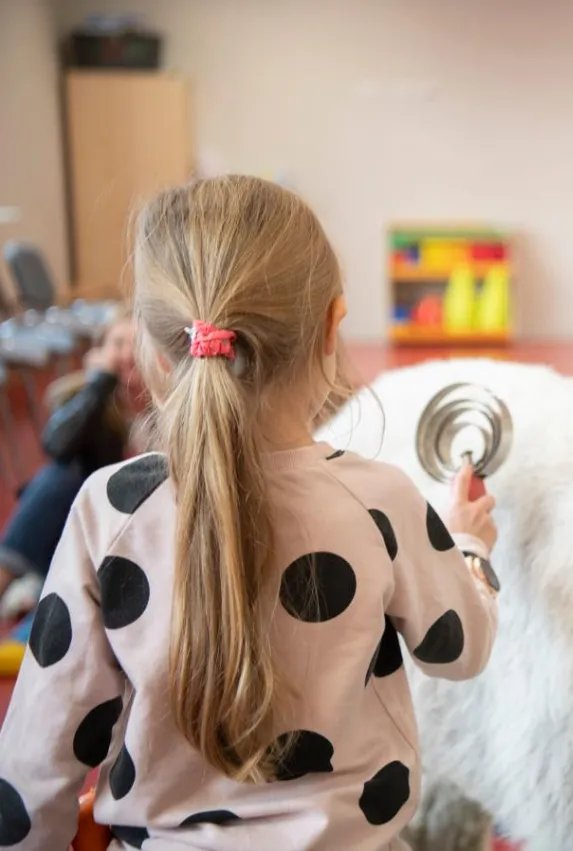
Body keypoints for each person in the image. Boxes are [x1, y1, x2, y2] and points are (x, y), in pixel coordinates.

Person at [0, 175, 500, 849]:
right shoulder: (380, 501)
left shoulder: (110, 509)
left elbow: (38, 762)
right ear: (332, 328)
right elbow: (459, 650)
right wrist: (470, 549)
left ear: (154, 350)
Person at [0, 309, 144, 610]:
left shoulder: (158, 406)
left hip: (122, 522)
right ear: (99, 351)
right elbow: (56, 445)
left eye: (137, 344)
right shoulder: (91, 398)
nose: (127, 354)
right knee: (62, 476)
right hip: (76, 513)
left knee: (61, 480)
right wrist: (99, 384)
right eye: (118, 344)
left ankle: (29, 580)